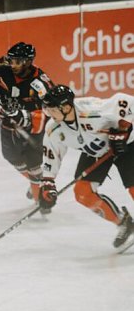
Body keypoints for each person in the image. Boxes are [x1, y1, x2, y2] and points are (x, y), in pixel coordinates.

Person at [38, 86, 134, 251]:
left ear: (66, 107)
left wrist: (124, 129)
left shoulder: (92, 111)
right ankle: (124, 223)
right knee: (82, 193)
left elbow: (123, 100)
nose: (49, 114)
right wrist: (48, 183)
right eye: (47, 109)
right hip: (96, 151)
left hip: (125, 146)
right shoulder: (53, 128)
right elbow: (51, 155)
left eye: (52, 110)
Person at [0, 42, 55, 210]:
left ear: (28, 62)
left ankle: (41, 201)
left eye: (17, 62)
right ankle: (35, 183)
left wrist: (25, 116)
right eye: (11, 61)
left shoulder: (40, 83)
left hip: (35, 126)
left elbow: (50, 110)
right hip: (8, 125)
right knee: (12, 157)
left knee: (34, 163)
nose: (12, 65)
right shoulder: (0, 67)